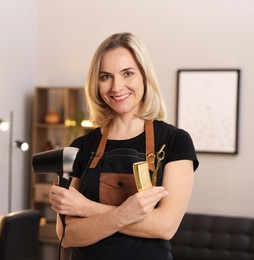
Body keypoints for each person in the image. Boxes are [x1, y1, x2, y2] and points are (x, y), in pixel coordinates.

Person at [48, 32, 199, 260]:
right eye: (105, 76)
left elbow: (164, 226)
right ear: (96, 83)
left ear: (144, 77)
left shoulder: (175, 141)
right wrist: (128, 214)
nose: (117, 87)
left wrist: (87, 208)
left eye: (127, 73)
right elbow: (67, 234)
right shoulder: (80, 147)